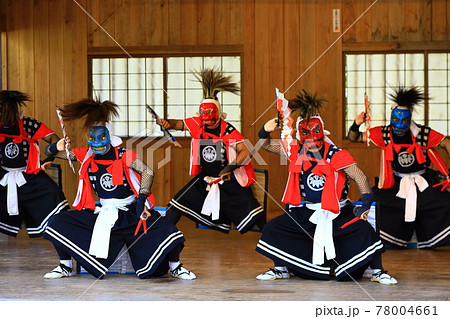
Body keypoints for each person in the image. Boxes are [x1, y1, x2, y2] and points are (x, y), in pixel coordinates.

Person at [42, 98, 195, 280]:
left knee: (169, 230)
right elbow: (49, 153)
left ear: (109, 136)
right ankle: (65, 266)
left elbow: (147, 172)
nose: (97, 142)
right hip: (102, 212)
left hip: (130, 213)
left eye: (101, 137)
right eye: (92, 138)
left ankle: (176, 266)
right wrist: (55, 146)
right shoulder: (85, 155)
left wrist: (141, 202)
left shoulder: (124, 154)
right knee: (56, 222)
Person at [255, 90, 397, 284]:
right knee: (273, 228)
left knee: (365, 231)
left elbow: (360, 177)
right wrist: (264, 130)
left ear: (322, 132)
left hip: (339, 211)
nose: (312, 139)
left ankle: (378, 271)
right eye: (306, 134)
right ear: (299, 134)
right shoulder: (294, 150)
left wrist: (364, 205)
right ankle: (281, 268)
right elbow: (265, 145)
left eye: (315, 133)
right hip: (308, 211)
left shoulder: (336, 154)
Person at [160, 68, 265, 234]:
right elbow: (177, 124)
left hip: (229, 180)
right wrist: (167, 123)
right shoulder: (197, 124)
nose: (207, 123)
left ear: (218, 114)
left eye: (211, 119)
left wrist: (229, 168)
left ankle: (271, 238)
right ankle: (161, 236)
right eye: (204, 119)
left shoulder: (229, 130)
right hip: (205, 180)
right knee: (176, 204)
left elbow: (246, 151)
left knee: (255, 213)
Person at [347, 86, 450, 249]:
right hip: (395, 182)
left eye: (404, 121)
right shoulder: (384, 133)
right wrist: (356, 124)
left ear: (410, 120)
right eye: (396, 120)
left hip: (423, 181)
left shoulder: (422, 133)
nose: (399, 124)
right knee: (372, 205)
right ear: (391, 117)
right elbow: (354, 138)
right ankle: (372, 239)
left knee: (445, 203)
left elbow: (446, 142)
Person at [0, 90, 69, 238]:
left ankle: (59, 235)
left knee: (54, 194)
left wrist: (50, 157)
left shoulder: (28, 124)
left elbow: (54, 141)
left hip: (29, 175)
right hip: (2, 176)